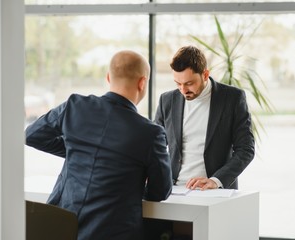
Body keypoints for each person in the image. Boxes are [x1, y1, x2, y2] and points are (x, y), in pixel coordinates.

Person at [25, 50, 173, 240]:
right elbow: (160, 192)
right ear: (142, 82)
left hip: (61, 226)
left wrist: (80, 150)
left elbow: (32, 135)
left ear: (108, 77)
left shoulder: (75, 105)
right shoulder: (150, 133)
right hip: (114, 233)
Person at [155, 45, 255, 190]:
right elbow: (156, 145)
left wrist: (216, 180)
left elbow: (246, 149)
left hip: (214, 190)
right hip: (173, 189)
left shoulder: (232, 98)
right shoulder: (167, 100)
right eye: (178, 84)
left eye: (189, 83)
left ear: (205, 75)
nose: (183, 90)